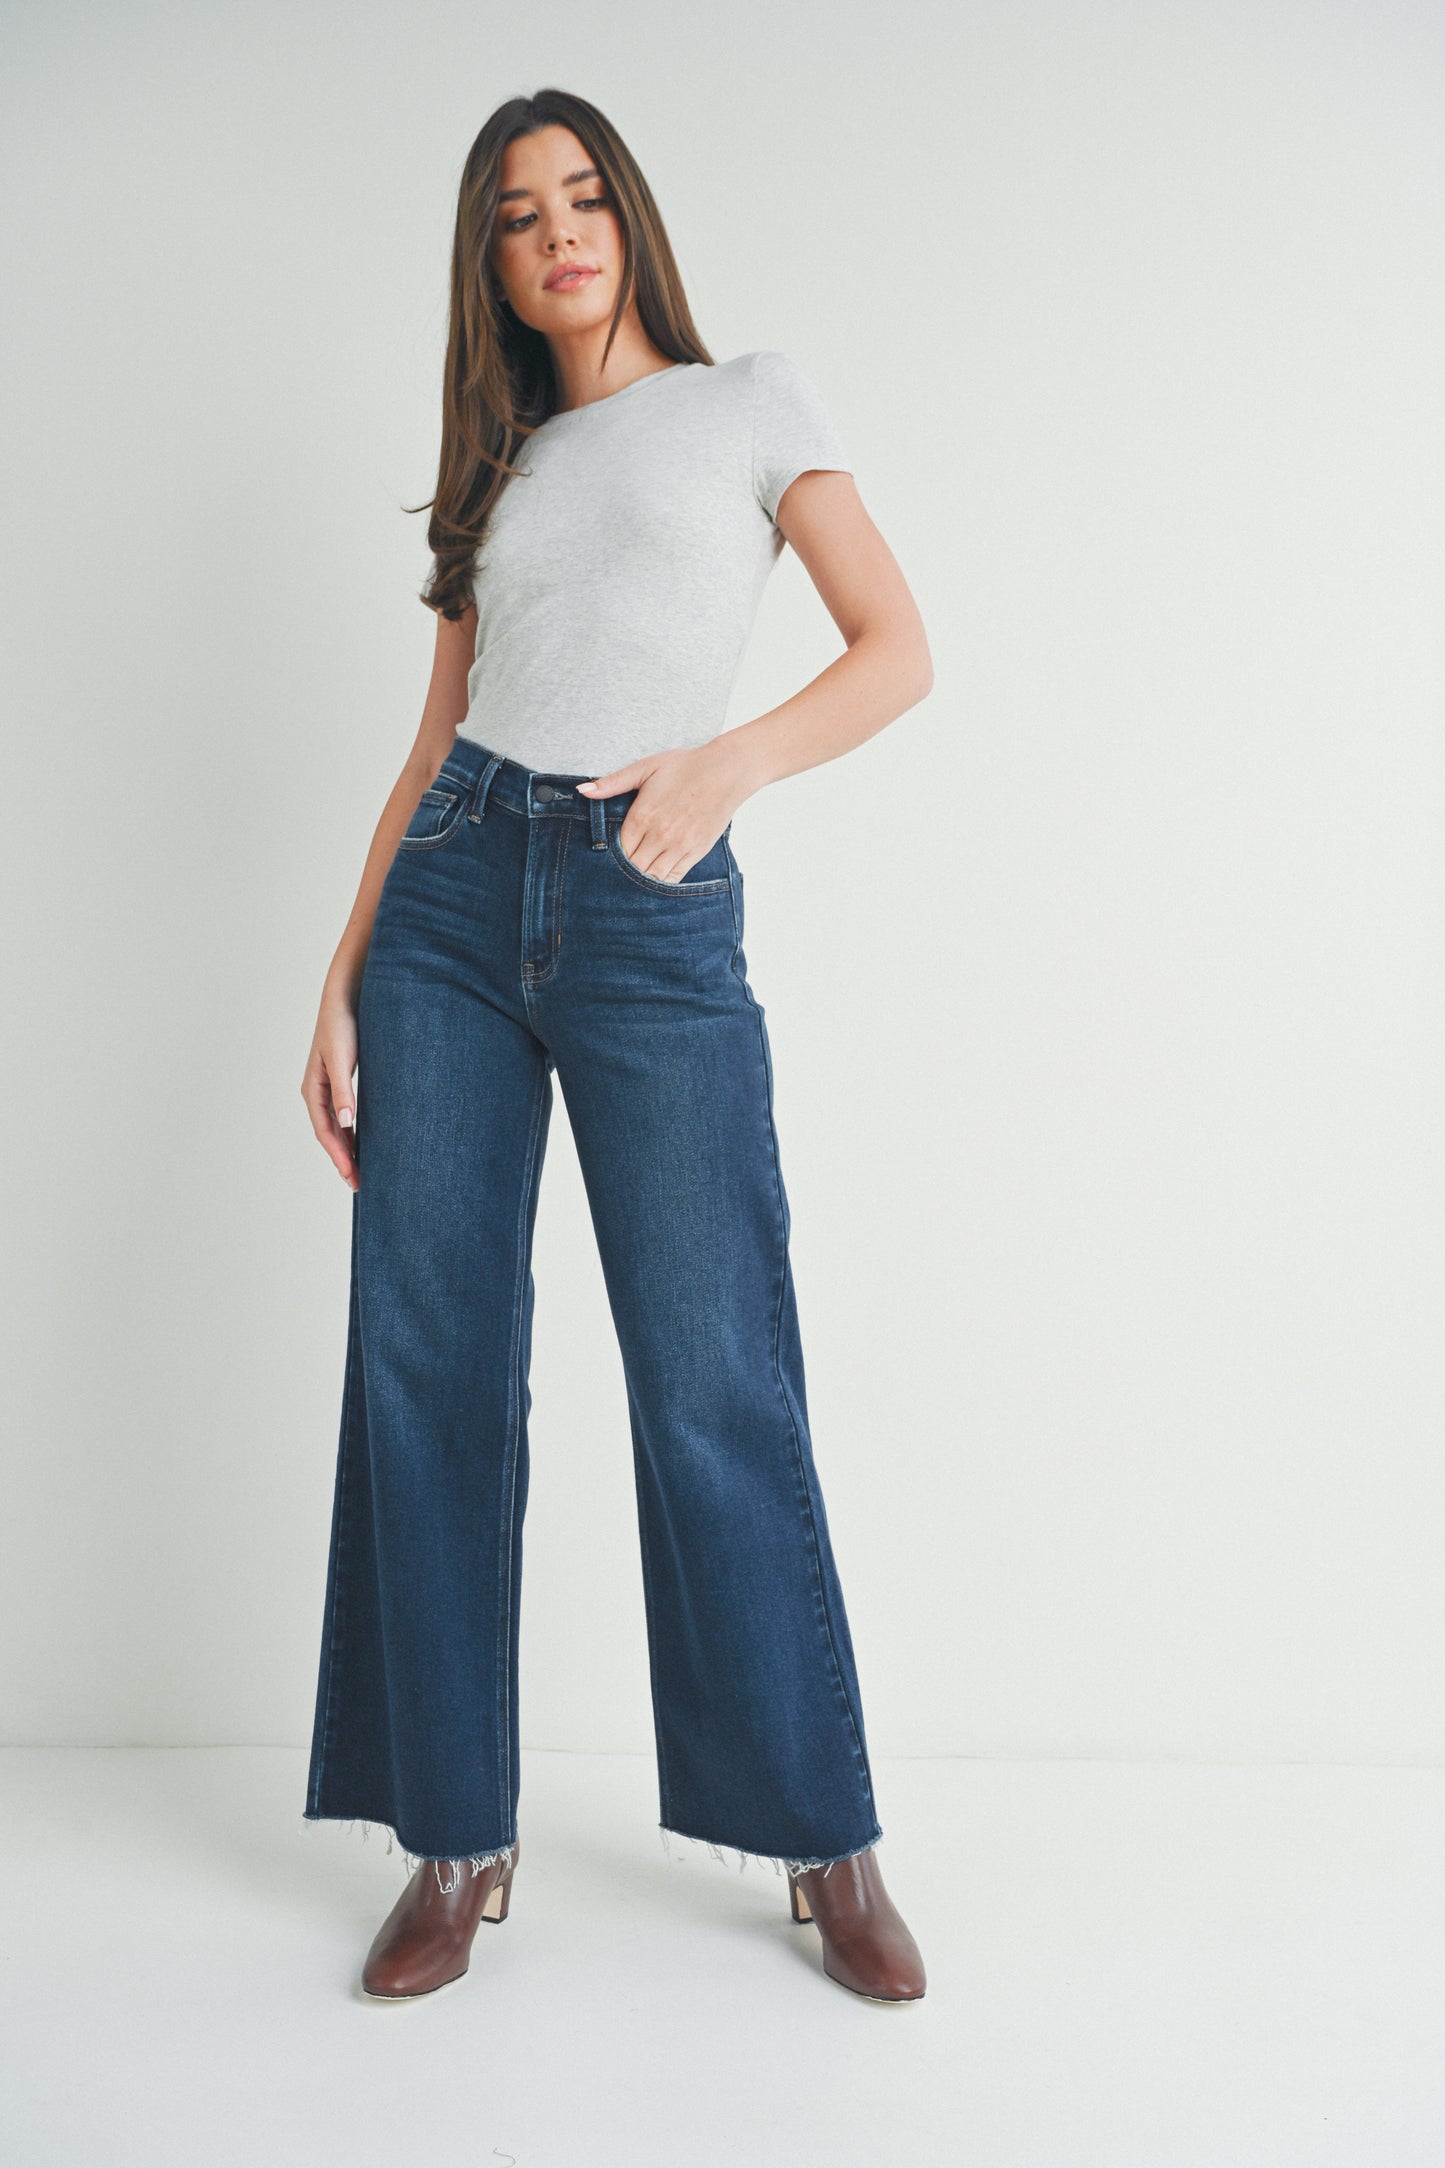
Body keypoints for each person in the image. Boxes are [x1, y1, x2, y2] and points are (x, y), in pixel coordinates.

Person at [298, 87, 933, 2006]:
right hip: (452, 910)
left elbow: (892, 644)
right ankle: (454, 1837)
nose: (557, 232)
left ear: (628, 219)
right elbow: (432, 748)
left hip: (650, 911)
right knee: (427, 1360)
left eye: (581, 197)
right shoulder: (498, 469)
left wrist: (724, 769)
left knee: (712, 1368)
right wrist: (335, 979)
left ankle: (823, 1837)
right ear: (489, 263)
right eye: (517, 214)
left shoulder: (749, 403)